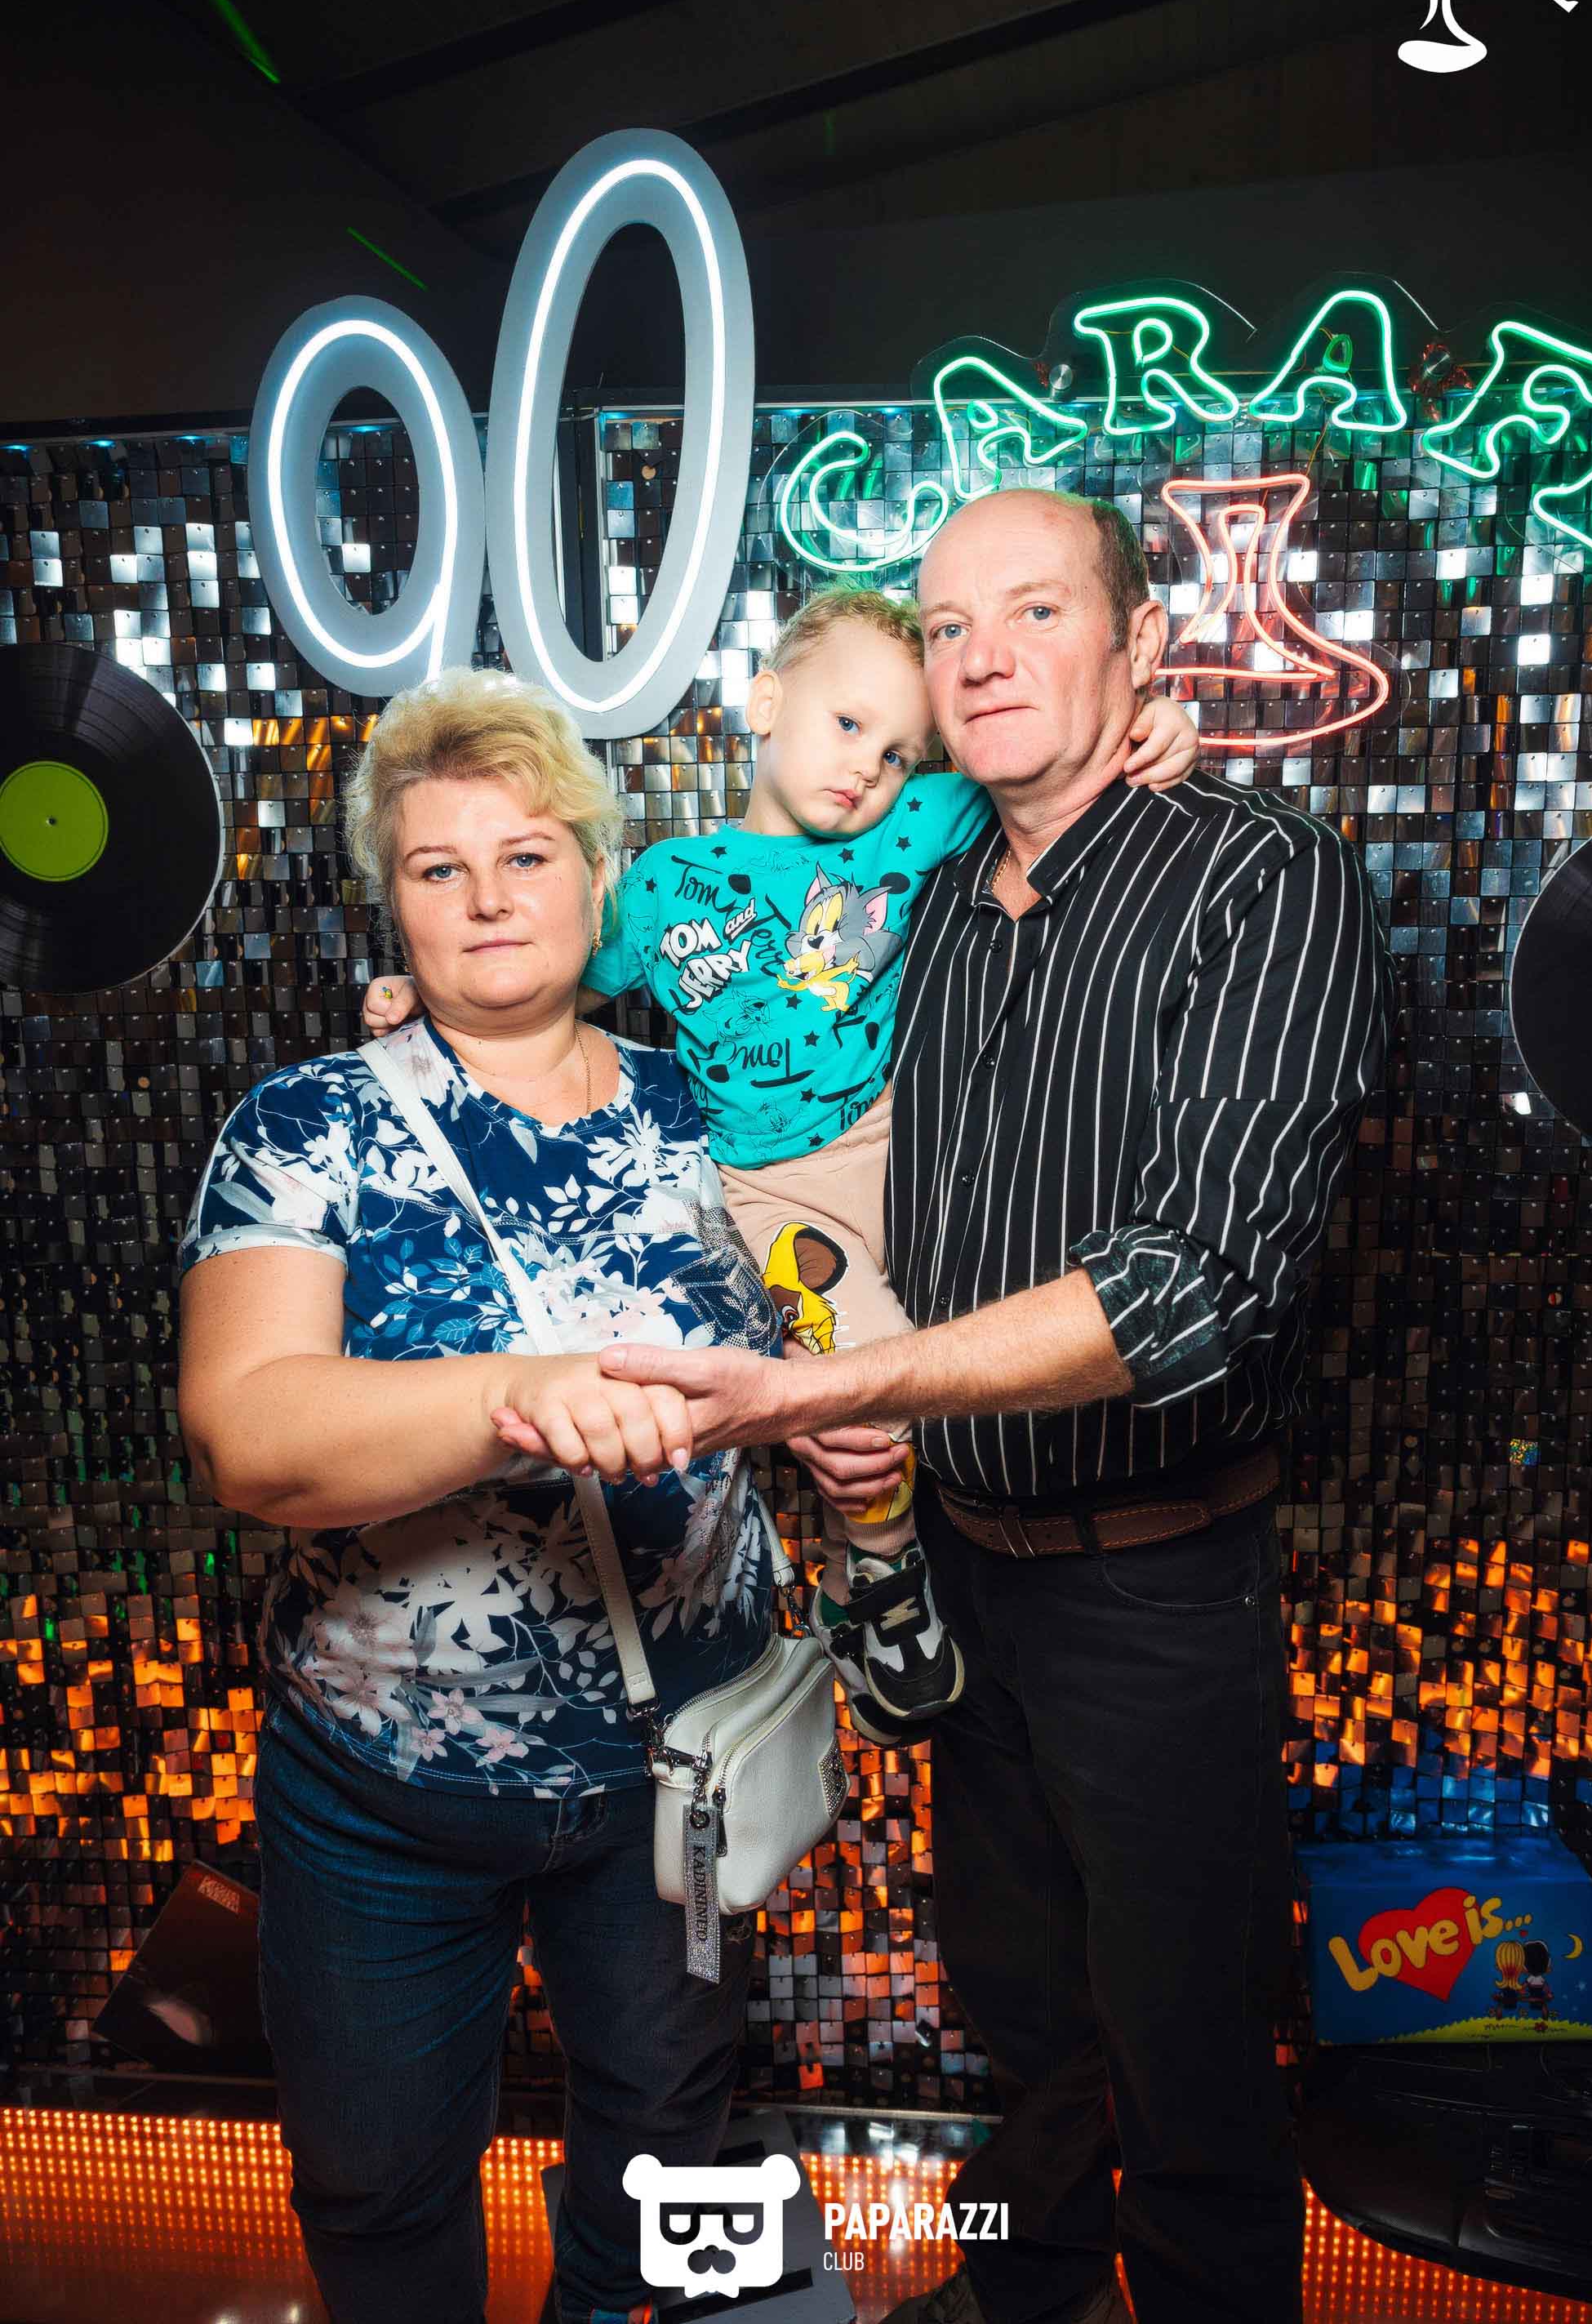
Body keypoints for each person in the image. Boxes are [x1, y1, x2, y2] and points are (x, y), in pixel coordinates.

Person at [572, 490, 1395, 2324]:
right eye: (950, 627)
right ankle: (1023, 2295)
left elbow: (1201, 1280)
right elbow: (697, 1029)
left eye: (1036, 611)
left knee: (1188, 2043)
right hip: (958, 1557)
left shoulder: (1259, 876)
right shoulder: (915, 890)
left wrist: (833, 1382)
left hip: (1152, 1579)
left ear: (1138, 644)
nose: (985, 655)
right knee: (1020, 2015)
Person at [177, 667, 799, 2324]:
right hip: (379, 1794)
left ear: (600, 878)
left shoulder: (722, 1114)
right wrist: (515, 1397)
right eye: (438, 867)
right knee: (376, 2180)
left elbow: (829, 1320)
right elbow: (248, 1435)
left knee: (663, 2147)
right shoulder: (309, 1127)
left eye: (526, 855)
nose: (487, 897)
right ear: (394, 905)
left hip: (675, 1779)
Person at [363, 585, 1201, 1746]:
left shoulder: (922, 823)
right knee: (869, 1403)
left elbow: (1053, 771)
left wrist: (1150, 729)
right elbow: (540, 975)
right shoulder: (664, 885)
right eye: (848, 724)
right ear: (765, 702)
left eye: (899, 751)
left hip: (912, 1148)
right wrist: (416, 996)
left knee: (1008, 1352)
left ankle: (924, 1567)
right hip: (774, 1189)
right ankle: (879, 1577)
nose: (868, 768)